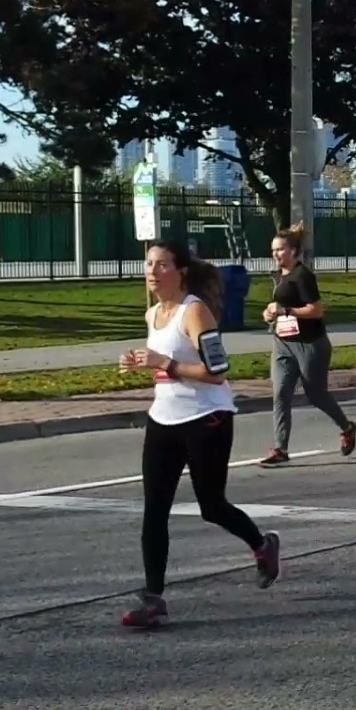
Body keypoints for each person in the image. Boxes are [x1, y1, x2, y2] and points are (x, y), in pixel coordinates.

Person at [118, 241, 279, 629]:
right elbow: (163, 366)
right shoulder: (153, 313)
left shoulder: (195, 311)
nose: (153, 272)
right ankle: (153, 598)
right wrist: (141, 363)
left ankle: (263, 546)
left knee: (211, 505)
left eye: (162, 265)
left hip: (207, 416)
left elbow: (218, 370)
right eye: (149, 265)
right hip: (164, 418)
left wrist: (166, 363)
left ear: (181, 271)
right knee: (154, 510)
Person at [259, 223, 356, 466]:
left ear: (293, 251)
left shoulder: (303, 276)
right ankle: (280, 449)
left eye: (280, 250)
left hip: (310, 344)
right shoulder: (280, 276)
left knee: (316, 395)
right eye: (273, 250)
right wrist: (269, 313)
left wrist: (285, 310)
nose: (275, 254)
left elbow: (315, 310)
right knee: (280, 394)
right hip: (283, 344)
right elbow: (279, 306)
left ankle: (347, 427)